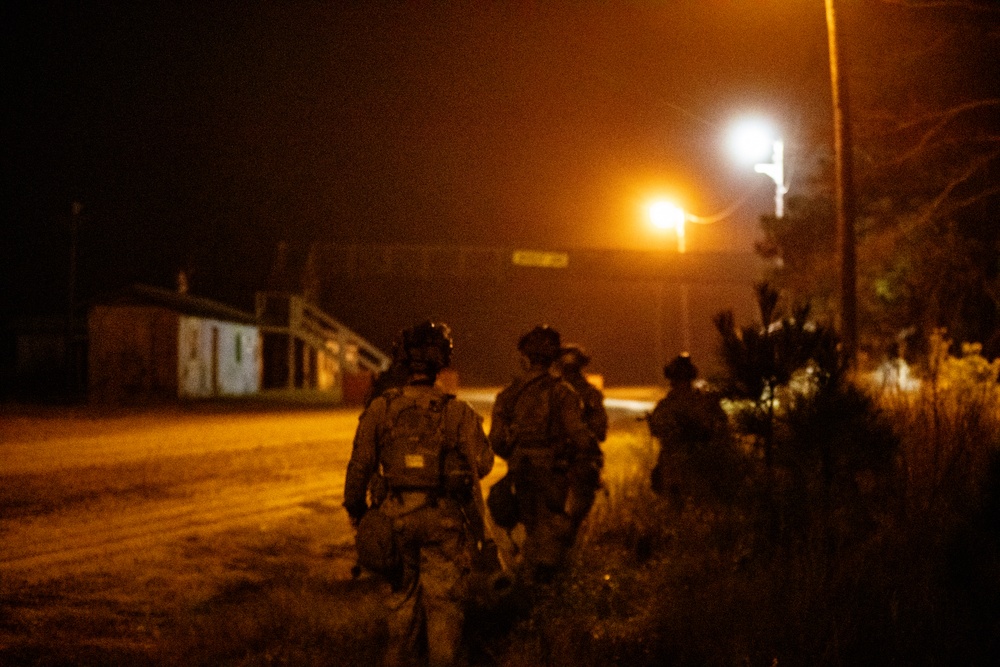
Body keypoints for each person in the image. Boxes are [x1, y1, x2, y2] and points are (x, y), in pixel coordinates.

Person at [344, 320, 495, 666]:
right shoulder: (458, 412)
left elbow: (358, 469)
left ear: (401, 359)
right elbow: (483, 465)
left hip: (394, 521)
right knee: (445, 615)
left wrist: (359, 513)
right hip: (443, 523)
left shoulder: (381, 408)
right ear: (442, 361)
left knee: (400, 617)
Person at [489, 325, 600, 584]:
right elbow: (581, 438)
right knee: (552, 543)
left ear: (524, 358)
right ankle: (544, 594)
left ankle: (521, 589)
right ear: (553, 359)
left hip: (519, 477)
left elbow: (496, 442)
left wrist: (516, 454)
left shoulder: (508, 395)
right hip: (553, 480)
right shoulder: (563, 393)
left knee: (522, 537)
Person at [647, 353, 730, 509]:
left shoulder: (666, 406)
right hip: (702, 468)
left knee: (676, 514)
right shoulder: (704, 402)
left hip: (674, 470)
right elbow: (722, 430)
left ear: (671, 379)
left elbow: (656, 430)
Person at [555, 344, 607, 536]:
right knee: (574, 519)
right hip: (580, 462)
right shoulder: (591, 394)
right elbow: (600, 432)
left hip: (557, 462)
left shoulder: (548, 391)